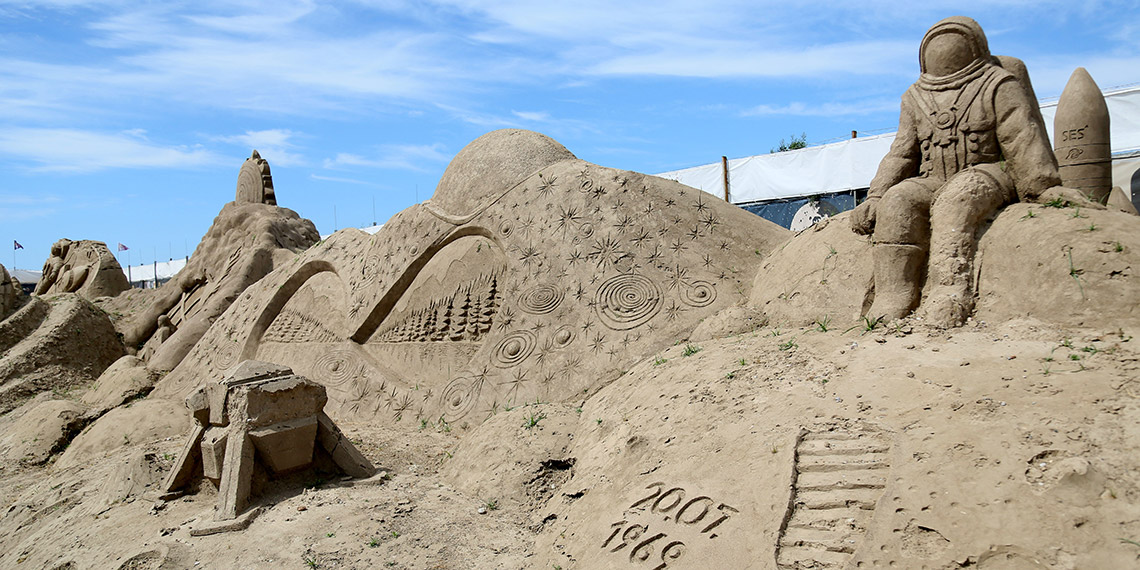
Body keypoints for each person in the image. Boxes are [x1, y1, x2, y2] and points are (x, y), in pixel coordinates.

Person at [850, 16, 1093, 326]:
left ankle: (949, 290)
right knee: (898, 201)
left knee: (958, 199)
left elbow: (1021, 136)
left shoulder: (998, 83)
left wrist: (1042, 186)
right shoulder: (915, 96)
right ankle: (894, 292)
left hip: (990, 172)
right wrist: (877, 194)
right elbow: (901, 152)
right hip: (933, 177)